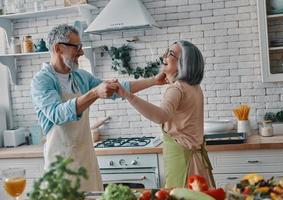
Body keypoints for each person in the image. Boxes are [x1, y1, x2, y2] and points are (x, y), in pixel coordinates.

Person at [30, 24, 167, 191]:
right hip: (60, 167)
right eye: (77, 47)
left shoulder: (81, 77)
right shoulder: (42, 80)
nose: (81, 52)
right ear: (58, 48)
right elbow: (57, 114)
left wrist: (153, 81)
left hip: (86, 160)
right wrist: (94, 93)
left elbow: (117, 89)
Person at [116, 40, 216, 188]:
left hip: (184, 163)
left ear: (183, 62)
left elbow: (161, 116)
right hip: (196, 161)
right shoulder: (194, 87)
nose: (164, 56)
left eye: (171, 54)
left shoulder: (177, 89)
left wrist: (128, 95)